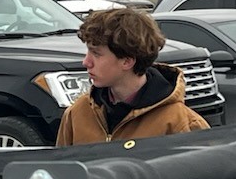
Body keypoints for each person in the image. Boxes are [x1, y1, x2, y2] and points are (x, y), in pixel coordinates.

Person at [56, 8, 210, 146]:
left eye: (96, 53)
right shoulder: (77, 114)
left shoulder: (182, 124)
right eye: (88, 52)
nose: (86, 62)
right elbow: (61, 173)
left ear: (127, 61)